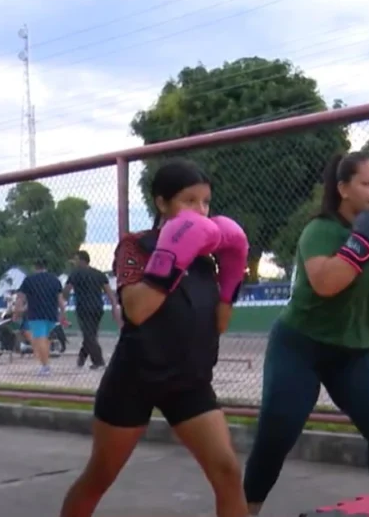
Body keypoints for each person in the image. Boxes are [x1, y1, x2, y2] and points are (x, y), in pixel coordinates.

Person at [59, 159, 250, 517]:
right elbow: (136, 310)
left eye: (206, 202)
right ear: (162, 203)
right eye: (189, 201)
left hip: (189, 381)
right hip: (137, 378)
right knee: (100, 475)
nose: (200, 211)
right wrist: (174, 255)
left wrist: (232, 271)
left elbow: (219, 325)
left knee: (227, 472)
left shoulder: (207, 259)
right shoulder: (135, 246)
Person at [243, 152, 369, 517]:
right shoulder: (321, 231)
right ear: (343, 188)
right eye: (368, 183)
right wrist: (362, 244)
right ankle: (246, 511)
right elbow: (327, 283)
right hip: (300, 346)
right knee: (277, 432)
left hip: (354, 352)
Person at [62, 250, 122, 370]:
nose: (74, 262)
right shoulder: (99, 274)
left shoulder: (76, 274)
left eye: (76, 259)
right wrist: (114, 307)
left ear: (82, 260)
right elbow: (109, 292)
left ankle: (98, 361)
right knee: (91, 334)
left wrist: (63, 297)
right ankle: (81, 358)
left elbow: (67, 290)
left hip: (83, 307)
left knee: (89, 335)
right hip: (97, 307)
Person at [16, 260, 66, 376]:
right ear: (45, 267)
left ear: (35, 267)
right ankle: (45, 363)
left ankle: (45, 367)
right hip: (51, 313)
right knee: (46, 340)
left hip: (36, 313)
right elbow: (60, 299)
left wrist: (18, 310)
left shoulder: (29, 280)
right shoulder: (55, 280)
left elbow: (21, 297)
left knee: (40, 339)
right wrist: (63, 313)